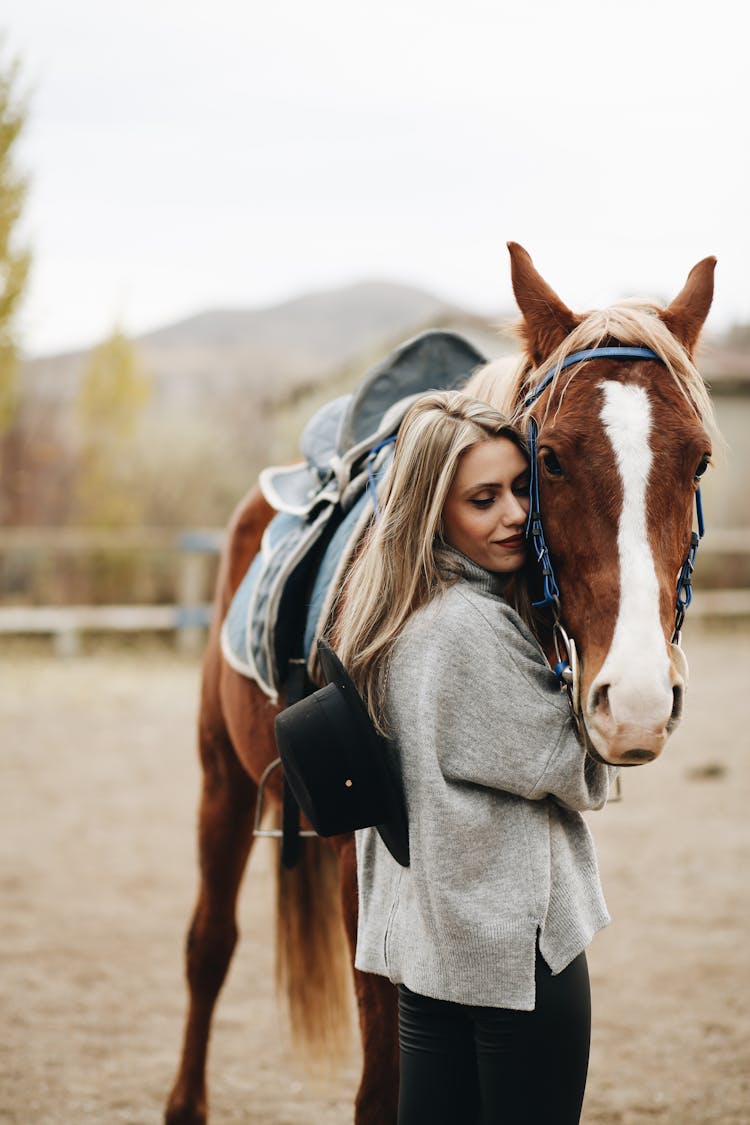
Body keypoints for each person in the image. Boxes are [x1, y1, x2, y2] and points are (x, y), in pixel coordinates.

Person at [333, 391, 617, 1125]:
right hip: (515, 964)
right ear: (434, 513)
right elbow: (584, 771)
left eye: (523, 487)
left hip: (429, 962)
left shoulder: (387, 615)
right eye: (483, 499)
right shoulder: (471, 630)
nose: (516, 513)